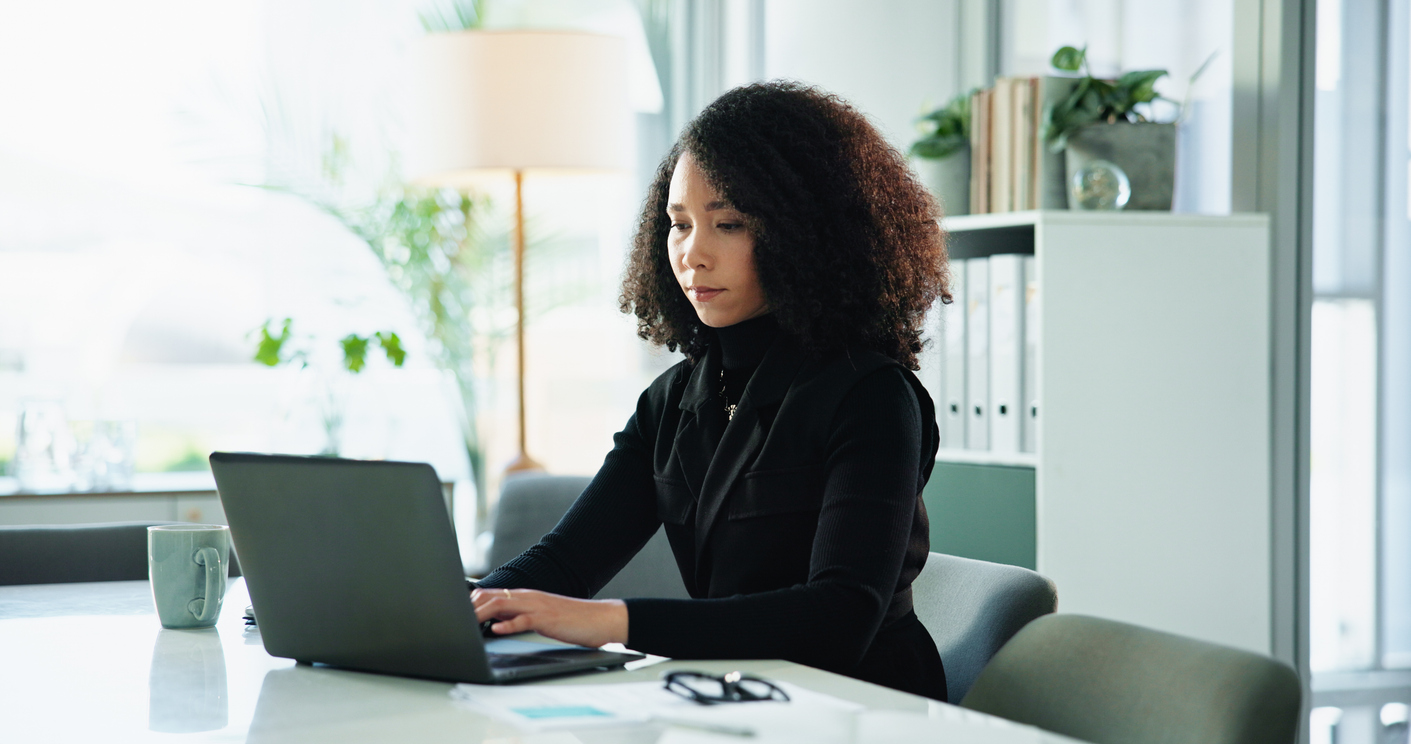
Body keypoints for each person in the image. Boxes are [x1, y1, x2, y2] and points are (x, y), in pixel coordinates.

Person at [471, 80, 951, 700]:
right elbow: (565, 563)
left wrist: (610, 622)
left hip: (866, 707)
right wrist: (471, 606)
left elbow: (838, 618)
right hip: (736, 697)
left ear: (804, 233)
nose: (693, 253)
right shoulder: (674, 400)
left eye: (727, 223)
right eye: (678, 224)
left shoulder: (872, 397)